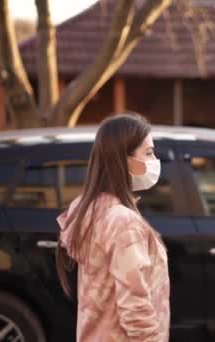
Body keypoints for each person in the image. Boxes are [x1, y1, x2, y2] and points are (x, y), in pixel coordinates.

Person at [56, 113, 170, 342]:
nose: (155, 160)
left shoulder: (88, 209)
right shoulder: (123, 222)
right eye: (148, 153)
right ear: (122, 158)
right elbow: (135, 308)